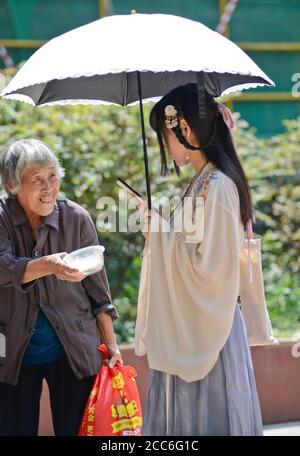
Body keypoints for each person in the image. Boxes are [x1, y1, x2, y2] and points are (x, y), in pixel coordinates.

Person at [133, 84, 264, 436]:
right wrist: (157, 230)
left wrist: (159, 234)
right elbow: (190, 250)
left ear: (185, 128)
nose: (165, 145)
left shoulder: (217, 186)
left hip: (210, 327)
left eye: (166, 135)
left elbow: (211, 270)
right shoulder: (204, 182)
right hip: (197, 321)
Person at [0, 139, 122, 436]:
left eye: (52, 176)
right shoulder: (2, 218)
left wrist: (113, 346)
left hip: (74, 352)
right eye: (36, 179)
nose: (48, 187)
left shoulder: (76, 218)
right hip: (11, 354)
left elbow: (98, 292)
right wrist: (49, 265)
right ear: (12, 185)